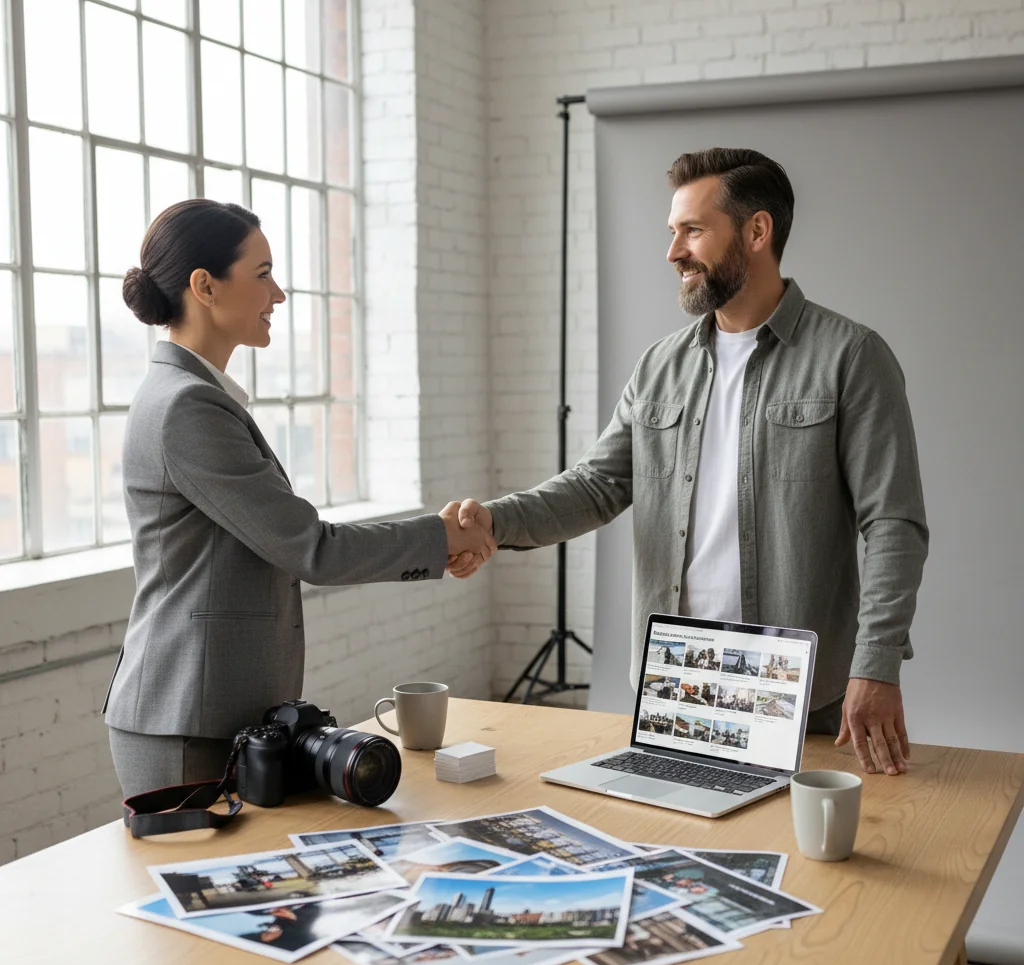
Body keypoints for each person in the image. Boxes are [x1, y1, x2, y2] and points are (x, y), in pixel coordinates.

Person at [451, 148, 928, 777]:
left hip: (799, 687)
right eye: (672, 232)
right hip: (678, 678)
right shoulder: (660, 365)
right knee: (678, 848)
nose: (673, 251)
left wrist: (876, 663)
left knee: (805, 865)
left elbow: (893, 523)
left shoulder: (851, 357)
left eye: (693, 230)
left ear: (758, 232)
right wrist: (493, 521)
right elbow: (597, 486)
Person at [104, 199, 495, 798]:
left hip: (211, 707)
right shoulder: (186, 406)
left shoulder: (192, 395)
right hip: (184, 717)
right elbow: (310, 547)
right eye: (262, 275)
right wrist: (442, 537)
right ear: (204, 286)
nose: (278, 294)